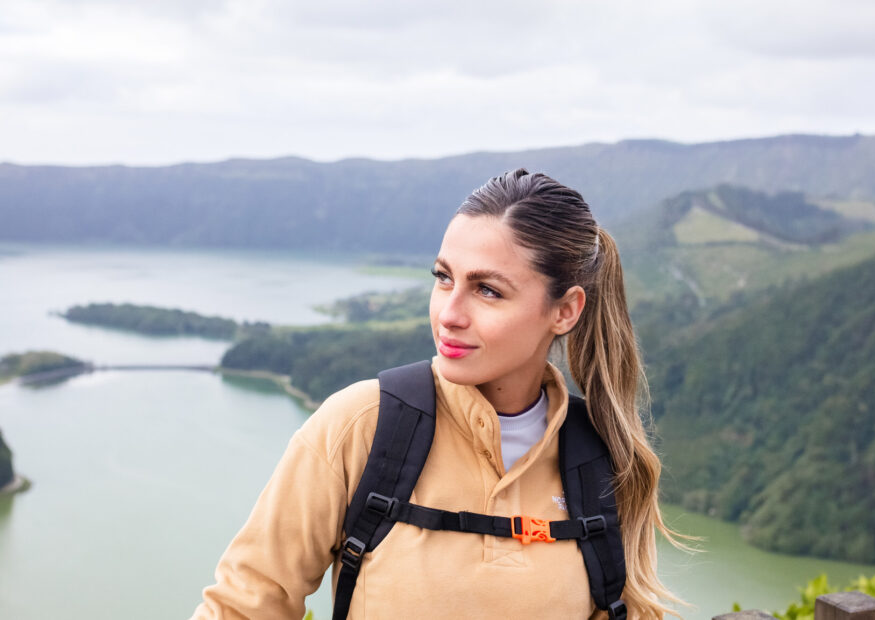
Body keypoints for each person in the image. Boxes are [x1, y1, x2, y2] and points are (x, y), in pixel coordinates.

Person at [190, 169, 683, 619]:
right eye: (444, 278)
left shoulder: (601, 460)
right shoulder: (363, 426)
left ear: (565, 310)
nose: (449, 314)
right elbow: (244, 607)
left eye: (488, 290)